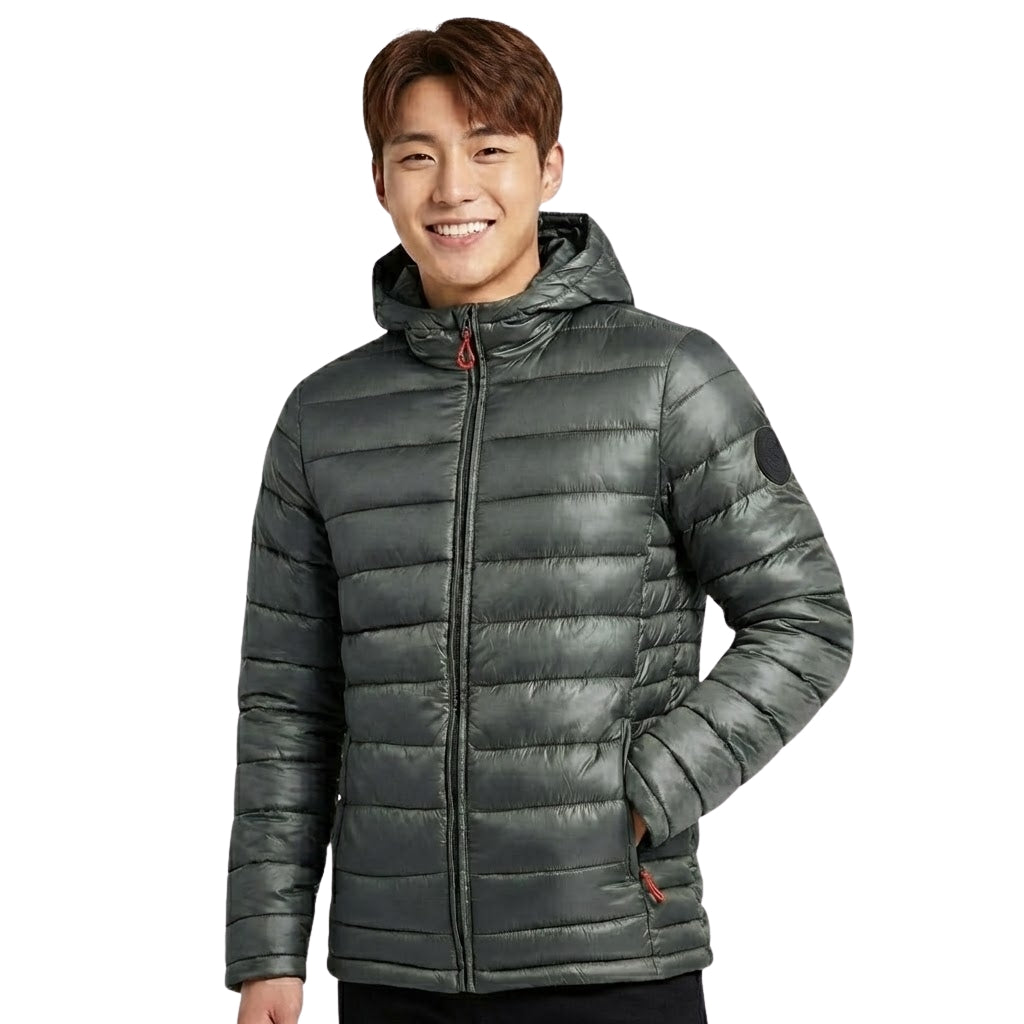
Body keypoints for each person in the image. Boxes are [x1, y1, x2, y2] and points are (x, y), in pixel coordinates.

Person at [224, 16, 854, 1024]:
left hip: (612, 955)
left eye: (489, 150)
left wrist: (644, 790)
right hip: (393, 970)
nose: (452, 188)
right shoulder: (324, 417)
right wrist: (268, 949)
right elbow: (289, 703)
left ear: (548, 167)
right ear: (379, 180)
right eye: (417, 156)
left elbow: (805, 619)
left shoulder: (668, 377)